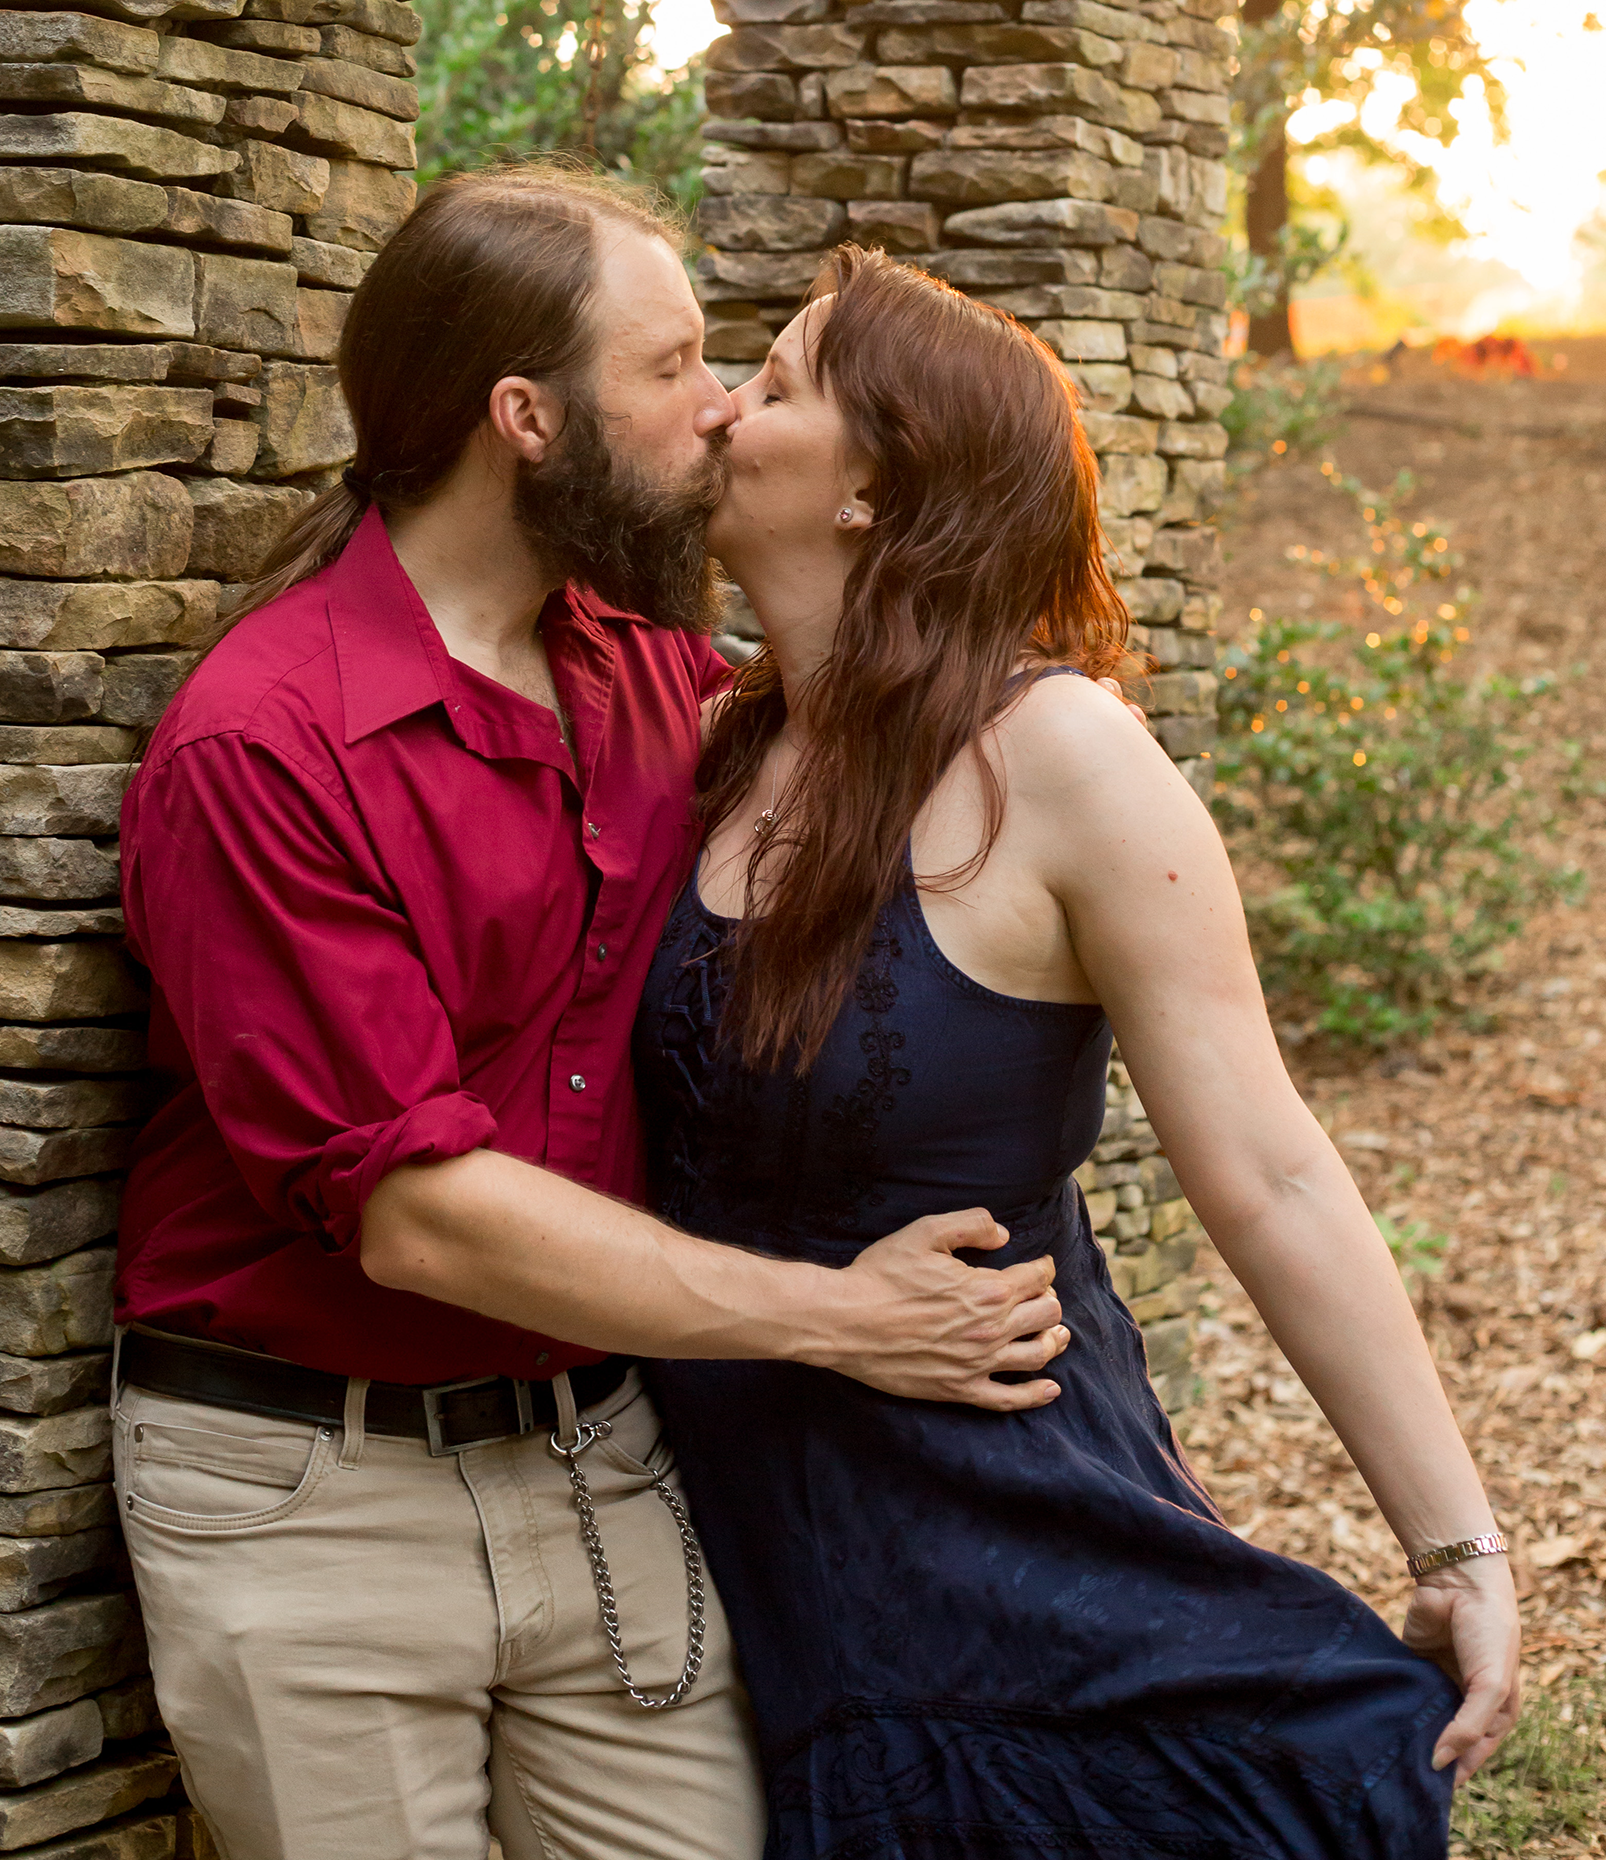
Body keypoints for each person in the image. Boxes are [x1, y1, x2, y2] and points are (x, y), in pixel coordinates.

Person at [111, 168, 1067, 1860]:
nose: (718, 409)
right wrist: (835, 1316)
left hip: (598, 1464)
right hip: (306, 1495)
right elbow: (417, 1217)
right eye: (678, 366)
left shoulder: (651, 676)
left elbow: (875, 726)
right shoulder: (263, 744)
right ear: (525, 417)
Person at [634, 244, 1520, 1860]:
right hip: (726, 1552)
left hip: (1005, 1544)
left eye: (768, 389)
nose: (717, 412)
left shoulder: (1063, 759)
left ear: (871, 492)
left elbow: (1268, 1174)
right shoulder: (703, 744)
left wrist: (1457, 1546)